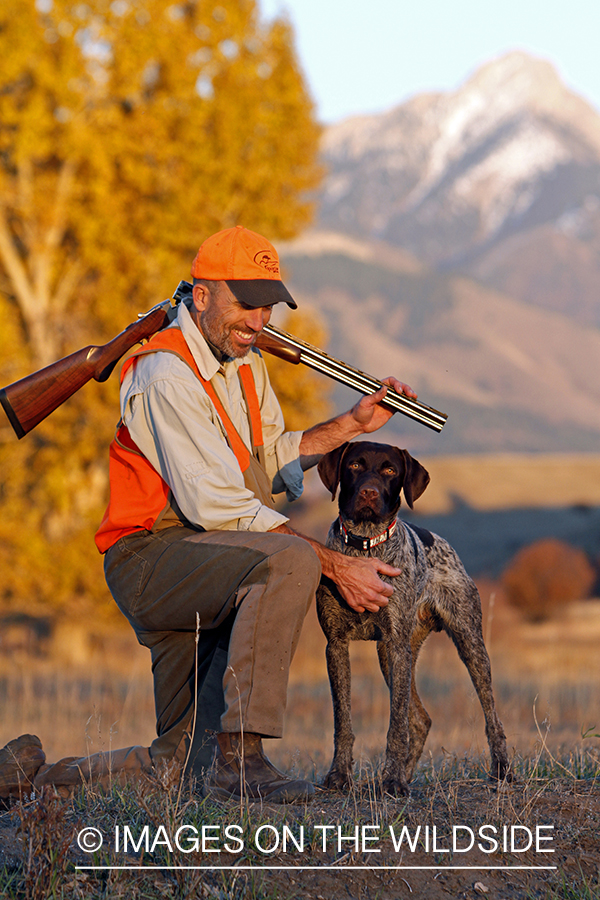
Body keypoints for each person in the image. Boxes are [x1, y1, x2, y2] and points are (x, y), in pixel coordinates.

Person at [0, 226, 416, 804]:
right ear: (200, 296)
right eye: (245, 302)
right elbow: (216, 503)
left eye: (268, 304)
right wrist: (334, 566)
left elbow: (267, 463)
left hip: (209, 557)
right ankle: (243, 761)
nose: (259, 318)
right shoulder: (164, 373)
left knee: (181, 772)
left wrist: (350, 426)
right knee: (293, 559)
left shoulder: (246, 365)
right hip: (152, 559)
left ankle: (28, 781)